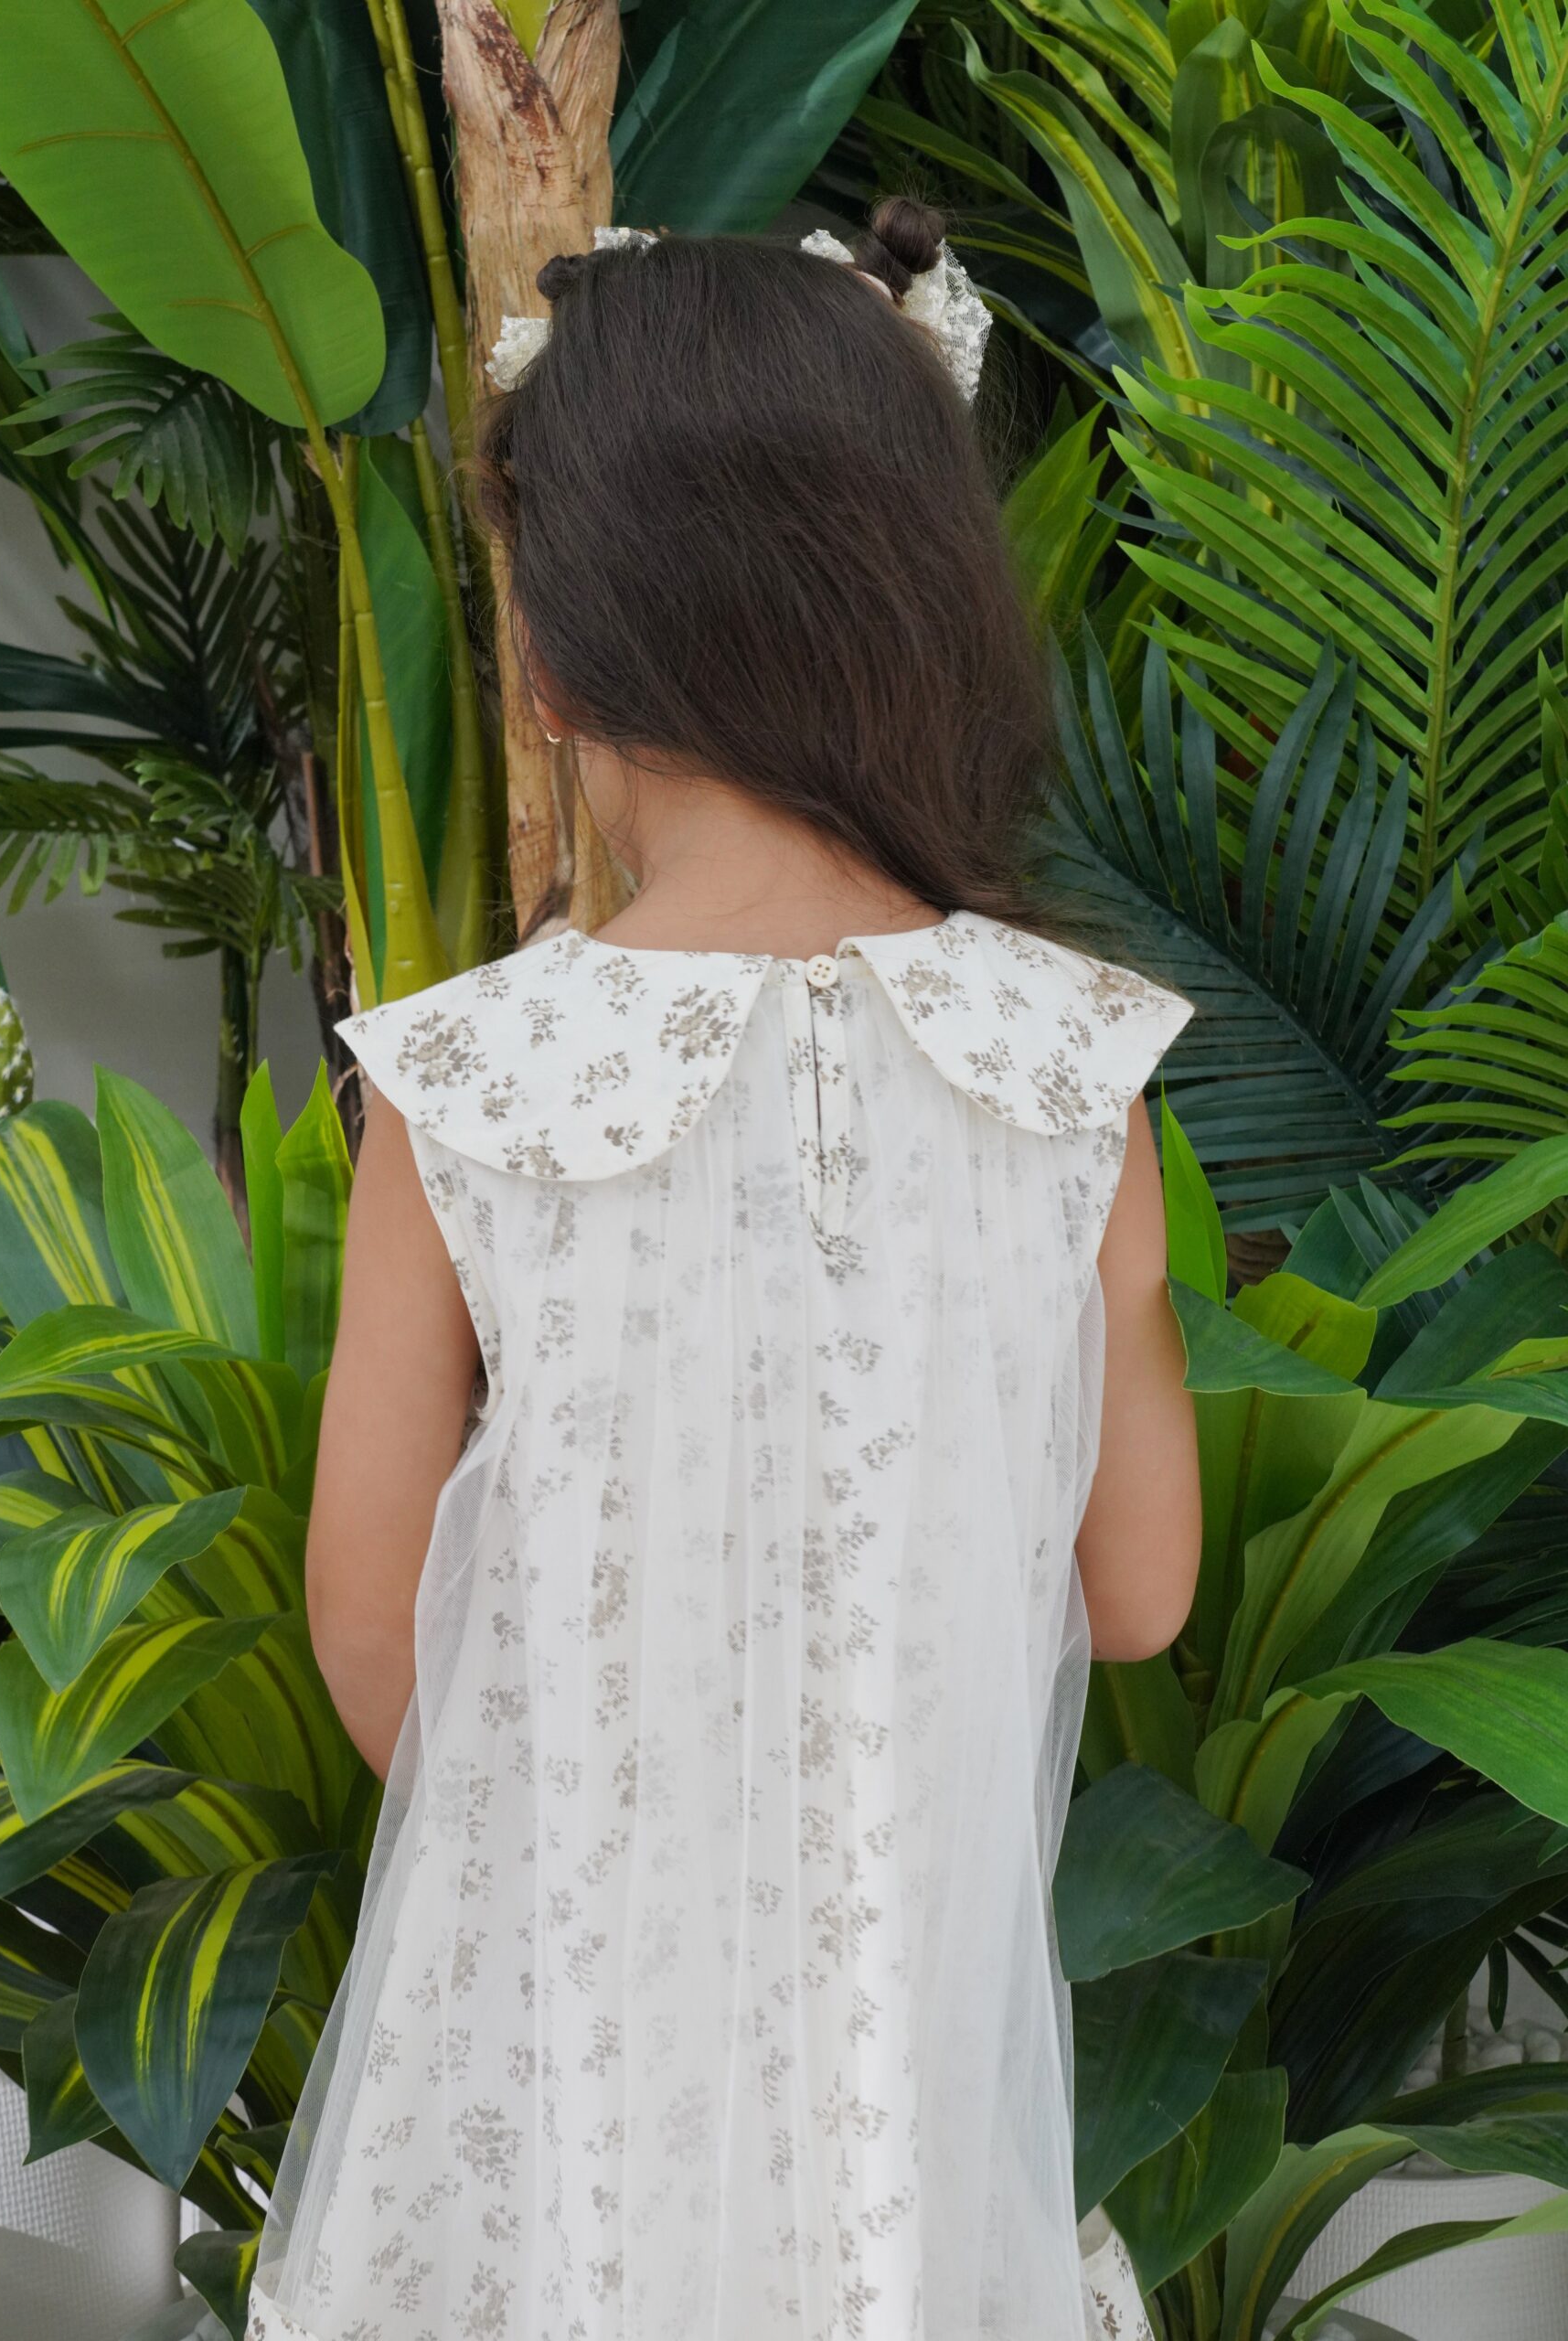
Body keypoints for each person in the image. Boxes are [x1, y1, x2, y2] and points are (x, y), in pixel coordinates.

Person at [251, 199, 1201, 2341]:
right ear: (923, 607)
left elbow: (373, 1621)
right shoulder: (1070, 1070)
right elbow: (1138, 1588)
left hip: (576, 2057)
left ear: (556, 662)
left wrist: (618, 1844)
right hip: (906, 2058)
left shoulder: (467, 1084)